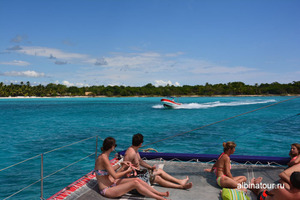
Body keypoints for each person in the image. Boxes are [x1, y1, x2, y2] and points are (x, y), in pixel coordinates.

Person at [95, 137, 170, 200]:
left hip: (112, 183)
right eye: (115, 145)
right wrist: (128, 170)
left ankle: (158, 193)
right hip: (107, 190)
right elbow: (115, 176)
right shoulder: (103, 158)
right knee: (135, 183)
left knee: (137, 179)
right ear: (112, 147)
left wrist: (121, 164)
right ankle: (159, 198)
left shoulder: (104, 156)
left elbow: (110, 169)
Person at [124, 133, 192, 189]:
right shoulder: (131, 153)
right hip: (137, 177)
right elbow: (124, 167)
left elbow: (140, 161)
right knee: (157, 178)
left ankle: (180, 181)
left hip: (140, 174)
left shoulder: (135, 150)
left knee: (159, 170)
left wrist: (150, 167)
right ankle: (181, 186)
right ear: (141, 144)